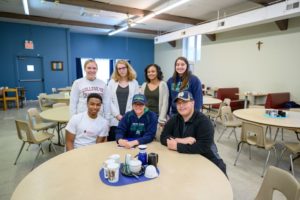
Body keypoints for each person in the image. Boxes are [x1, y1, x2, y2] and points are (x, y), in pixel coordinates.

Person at [160, 91, 226, 175]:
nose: (181, 106)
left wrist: (177, 146)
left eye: (184, 102)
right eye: (178, 103)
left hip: (210, 161)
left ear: (192, 103)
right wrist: (180, 140)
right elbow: (163, 137)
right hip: (187, 160)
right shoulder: (174, 119)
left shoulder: (204, 122)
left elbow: (203, 147)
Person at [107, 60, 139, 141]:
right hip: (114, 119)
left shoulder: (134, 82)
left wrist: (126, 116)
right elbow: (108, 100)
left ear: (128, 68)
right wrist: (117, 115)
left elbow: (136, 101)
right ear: (117, 70)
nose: (122, 70)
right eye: (119, 69)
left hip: (129, 118)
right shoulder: (112, 82)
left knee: (128, 142)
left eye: (123, 68)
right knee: (114, 143)